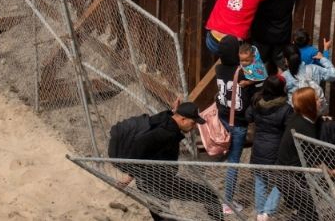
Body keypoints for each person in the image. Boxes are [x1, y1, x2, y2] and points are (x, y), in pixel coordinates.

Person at [124, 102, 224, 221]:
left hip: (156, 179)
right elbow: (139, 146)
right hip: (156, 181)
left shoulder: (167, 120)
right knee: (209, 196)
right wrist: (130, 174)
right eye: (192, 123)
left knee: (161, 212)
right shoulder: (167, 133)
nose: (193, 127)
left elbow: (159, 118)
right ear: (182, 119)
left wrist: (173, 111)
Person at [214, 38, 257, 215]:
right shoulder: (243, 72)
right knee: (234, 162)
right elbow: (258, 78)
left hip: (223, 116)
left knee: (228, 152)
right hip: (238, 122)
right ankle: (228, 202)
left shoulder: (218, 69)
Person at [272, 87, 323, 221]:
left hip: (287, 176)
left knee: (306, 212)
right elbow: (314, 159)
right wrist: (330, 171)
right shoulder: (304, 128)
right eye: (316, 99)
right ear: (309, 105)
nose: (320, 101)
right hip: (292, 179)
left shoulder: (298, 117)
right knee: (310, 213)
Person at [246, 76, 292, 221]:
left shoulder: (257, 102)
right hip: (276, 149)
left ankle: (260, 212)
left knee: (260, 180)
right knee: (282, 180)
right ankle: (267, 211)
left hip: (259, 146)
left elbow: (248, 117)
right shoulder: (286, 108)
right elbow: (289, 129)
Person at [280, 43, 335, 116]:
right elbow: (334, 75)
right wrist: (322, 59)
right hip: (316, 111)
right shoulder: (313, 68)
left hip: (296, 115)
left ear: (286, 59)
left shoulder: (284, 76)